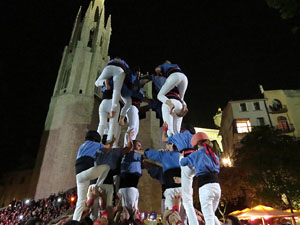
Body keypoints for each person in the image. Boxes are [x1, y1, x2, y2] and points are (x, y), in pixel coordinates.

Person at [180, 132, 221, 225]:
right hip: (217, 187)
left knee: (209, 218)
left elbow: (183, 162)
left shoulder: (197, 154)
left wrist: (181, 157)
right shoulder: (214, 155)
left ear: (196, 144)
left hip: (205, 187)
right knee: (212, 215)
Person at [73, 131, 114, 221]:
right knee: (106, 167)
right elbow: (108, 147)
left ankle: (75, 221)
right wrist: (112, 141)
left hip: (79, 175)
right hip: (87, 171)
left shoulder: (82, 146)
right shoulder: (94, 144)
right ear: (96, 139)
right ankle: (97, 187)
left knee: (80, 201)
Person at [162, 122, 198, 225]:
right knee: (188, 189)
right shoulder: (193, 136)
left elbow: (164, 139)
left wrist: (165, 129)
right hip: (195, 161)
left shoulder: (178, 136)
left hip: (185, 160)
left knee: (187, 201)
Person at [138, 145, 182, 212]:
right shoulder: (183, 155)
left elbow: (147, 153)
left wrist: (134, 150)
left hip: (171, 190)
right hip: (182, 190)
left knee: (171, 215)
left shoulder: (165, 155)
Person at [155, 60, 188, 136]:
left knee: (159, 95)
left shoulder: (164, 66)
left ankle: (170, 104)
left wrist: (158, 72)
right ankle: (185, 107)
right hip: (184, 78)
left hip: (174, 76)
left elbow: (157, 69)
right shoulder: (176, 65)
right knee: (182, 98)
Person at [118, 140, 143, 213]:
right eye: (138, 145)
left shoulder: (132, 154)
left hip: (131, 178)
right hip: (130, 177)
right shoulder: (134, 153)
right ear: (132, 145)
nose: (140, 148)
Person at [97, 78, 121, 147]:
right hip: (112, 102)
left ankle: (96, 141)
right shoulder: (116, 81)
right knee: (112, 125)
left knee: (101, 124)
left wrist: (105, 82)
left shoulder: (103, 83)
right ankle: (110, 144)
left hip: (103, 102)